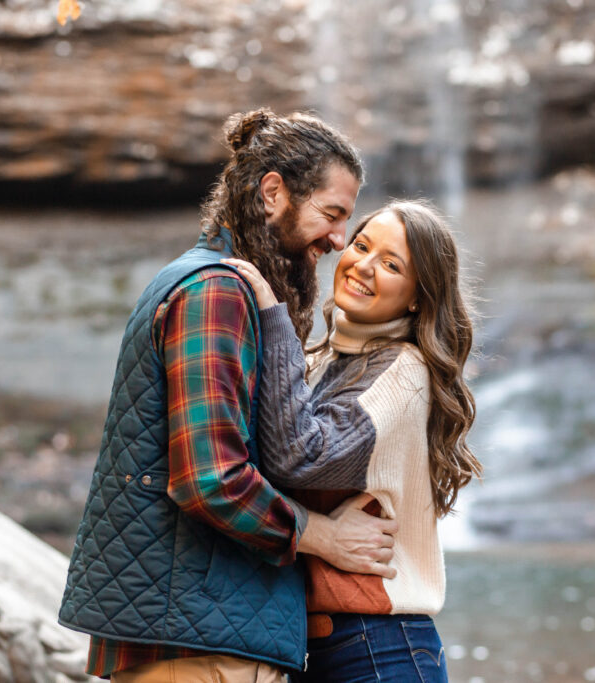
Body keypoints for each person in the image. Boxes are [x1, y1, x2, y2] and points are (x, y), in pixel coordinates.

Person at [58, 108, 400, 683]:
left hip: (196, 628)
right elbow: (211, 477)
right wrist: (327, 538)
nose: (340, 241)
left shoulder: (203, 281)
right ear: (273, 194)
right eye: (332, 214)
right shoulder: (218, 290)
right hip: (200, 641)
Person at [224, 199, 482, 682]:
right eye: (361, 246)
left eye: (390, 264)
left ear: (417, 298)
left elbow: (301, 458)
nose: (363, 265)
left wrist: (274, 317)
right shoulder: (322, 358)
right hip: (313, 645)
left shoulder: (405, 371)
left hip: (380, 646)